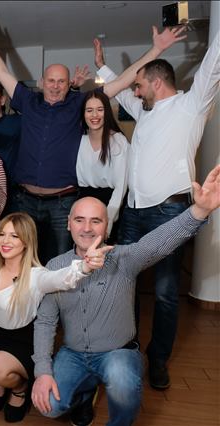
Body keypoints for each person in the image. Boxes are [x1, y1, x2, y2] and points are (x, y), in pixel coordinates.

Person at [0, 11, 185, 263]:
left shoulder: (79, 103)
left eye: (61, 81)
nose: (55, 86)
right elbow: (1, 71)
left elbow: (123, 81)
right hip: (24, 199)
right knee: (22, 260)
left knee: (63, 264)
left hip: (63, 204)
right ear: (42, 82)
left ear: (69, 83)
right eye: (51, 80)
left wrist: (156, 49)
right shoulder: (27, 100)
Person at [31, 165, 220, 426]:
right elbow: (45, 322)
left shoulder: (124, 258)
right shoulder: (55, 267)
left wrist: (200, 210)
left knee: (122, 384)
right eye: (79, 220)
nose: (87, 228)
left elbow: (159, 241)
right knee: (49, 405)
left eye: (96, 221)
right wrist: (42, 371)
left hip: (117, 353)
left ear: (107, 226)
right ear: (68, 223)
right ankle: (85, 393)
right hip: (73, 353)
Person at [94, 31, 220, 389]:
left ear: (157, 82)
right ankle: (128, 347)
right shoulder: (143, 110)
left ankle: (159, 359)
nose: (135, 92)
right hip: (134, 213)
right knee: (124, 283)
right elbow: (115, 91)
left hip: (170, 214)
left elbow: (213, 65)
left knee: (165, 291)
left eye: (139, 86)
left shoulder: (192, 105)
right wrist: (101, 65)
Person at [0, 163, 110, 423]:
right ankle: (0, 381)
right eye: (2, 234)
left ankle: (18, 387)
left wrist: (85, 266)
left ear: (26, 242)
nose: (5, 241)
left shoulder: (37, 276)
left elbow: (64, 278)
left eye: (14, 237)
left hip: (21, 341)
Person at [76, 90, 129, 238]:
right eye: (89, 110)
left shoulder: (118, 141)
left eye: (100, 109)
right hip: (83, 203)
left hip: (110, 204)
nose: (95, 115)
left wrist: (109, 220)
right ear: (83, 114)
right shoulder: (79, 140)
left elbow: (121, 186)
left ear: (107, 112)